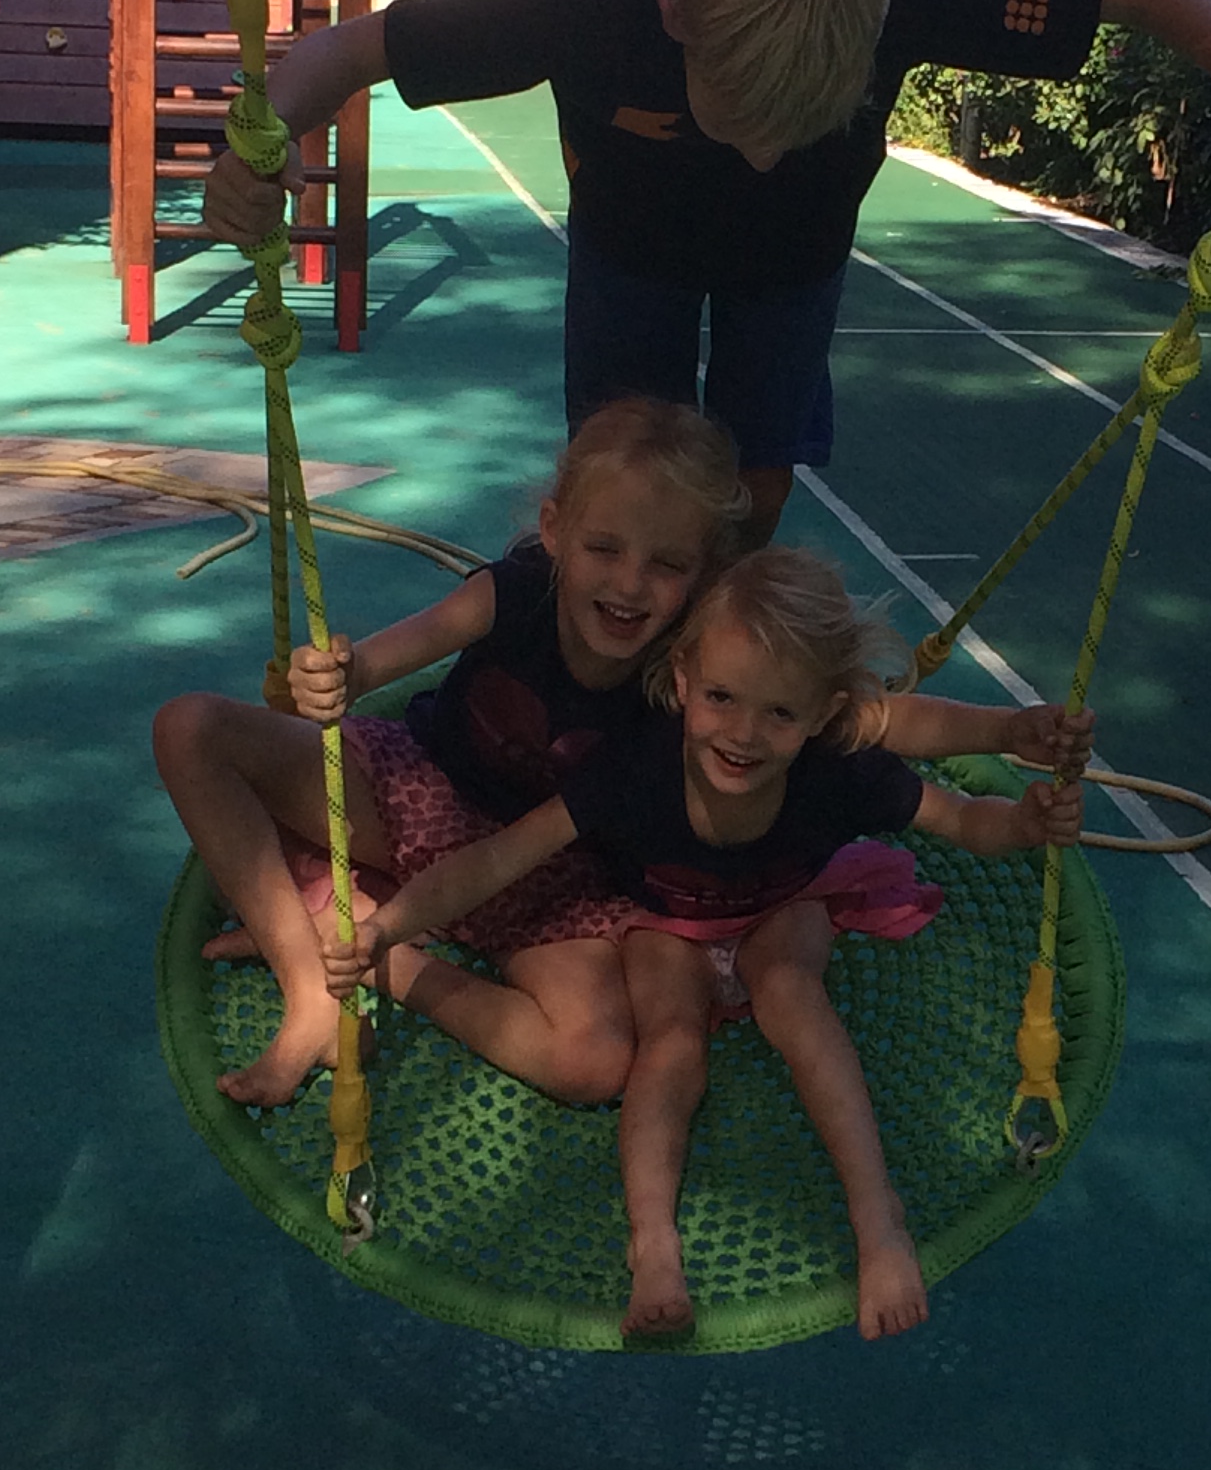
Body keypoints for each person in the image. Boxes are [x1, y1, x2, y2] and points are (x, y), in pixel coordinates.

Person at [202, 0, 1211, 544]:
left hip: (796, 257)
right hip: (632, 239)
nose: (758, 156)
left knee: (753, 485)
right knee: (616, 476)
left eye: (795, 126)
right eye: (735, 120)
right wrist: (259, 145)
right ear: (671, 21)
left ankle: (713, 672)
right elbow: (347, 51)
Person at [154, 398, 1087, 1113]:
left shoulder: (700, 661)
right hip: (413, 795)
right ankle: (306, 985)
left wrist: (1004, 731)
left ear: (704, 575)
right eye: (603, 547)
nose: (630, 585)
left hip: (562, 873)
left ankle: (386, 962)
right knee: (191, 727)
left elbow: (875, 720)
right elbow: (379, 661)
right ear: (555, 530)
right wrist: (335, 674)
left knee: (595, 1063)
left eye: (667, 565)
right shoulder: (514, 590)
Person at [323, 545, 1082, 1343]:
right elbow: (497, 860)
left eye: (780, 714)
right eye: (721, 697)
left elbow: (960, 819)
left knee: (792, 996)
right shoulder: (637, 770)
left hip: (784, 903)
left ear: (823, 715)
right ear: (683, 680)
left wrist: (1023, 823)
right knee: (671, 1043)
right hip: (665, 920)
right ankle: (654, 1244)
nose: (744, 734)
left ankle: (877, 1218)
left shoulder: (839, 772)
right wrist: (387, 927)